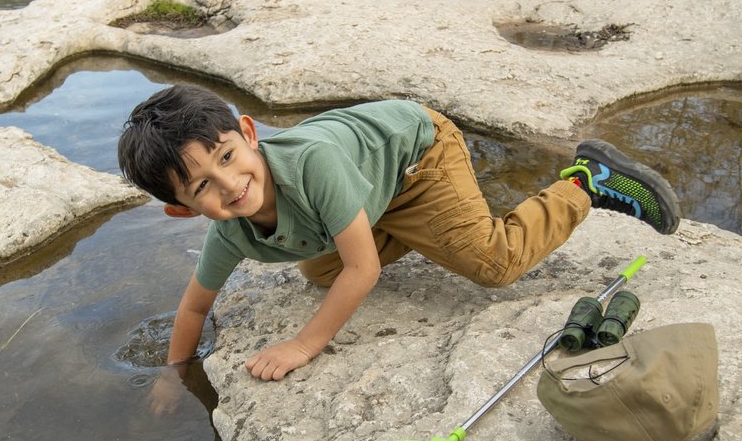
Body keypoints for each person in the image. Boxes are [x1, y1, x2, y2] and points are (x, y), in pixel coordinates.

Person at [117, 85, 680, 408]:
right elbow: (195, 305)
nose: (230, 184)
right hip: (369, 187)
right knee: (319, 272)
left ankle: (587, 181)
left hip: (417, 156)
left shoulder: (312, 165)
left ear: (248, 133)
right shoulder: (229, 231)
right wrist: (174, 374)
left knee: (493, 262)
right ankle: (396, 225)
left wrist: (303, 345)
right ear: (180, 209)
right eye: (202, 188)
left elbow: (363, 270)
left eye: (227, 158)